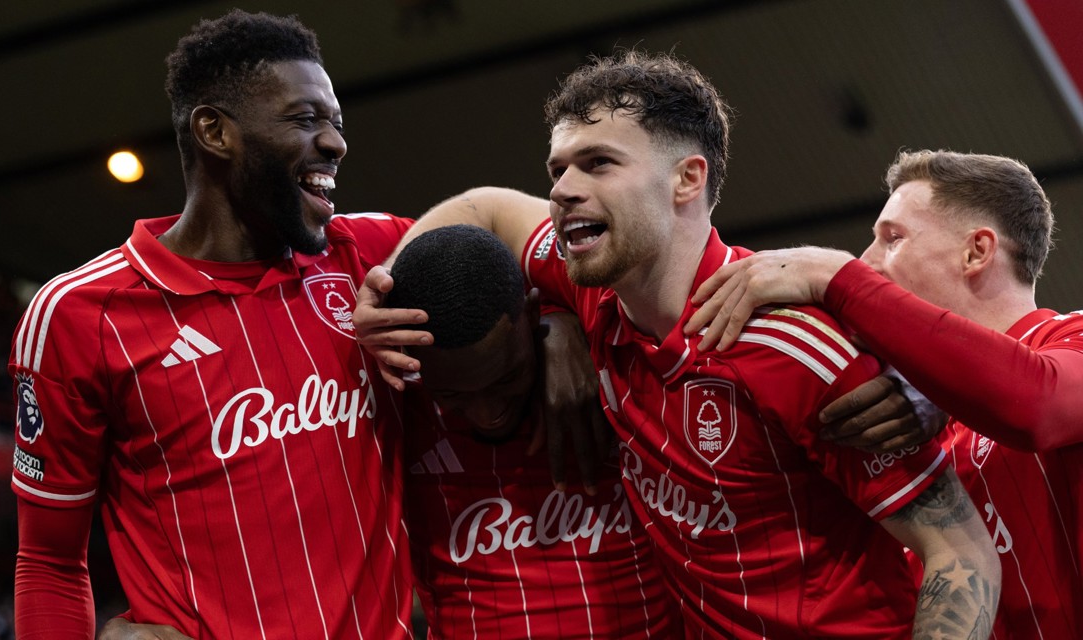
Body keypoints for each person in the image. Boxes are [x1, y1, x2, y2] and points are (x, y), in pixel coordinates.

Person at [356, 51, 1001, 638]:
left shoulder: (794, 344)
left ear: (688, 179)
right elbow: (484, 206)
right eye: (558, 169)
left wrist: (927, 384)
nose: (561, 189)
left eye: (599, 163)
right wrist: (389, 291)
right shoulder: (595, 293)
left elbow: (963, 555)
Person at [9, 11, 417, 638]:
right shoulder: (77, 313)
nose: (336, 143)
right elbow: (50, 560)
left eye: (336, 123)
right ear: (215, 132)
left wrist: (559, 329)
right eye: (306, 119)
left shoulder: (367, 255)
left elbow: (521, 237)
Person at [685, 149, 1083, 639]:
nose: (867, 261)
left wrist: (835, 277)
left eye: (892, 239)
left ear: (977, 252)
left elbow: (1034, 405)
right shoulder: (898, 421)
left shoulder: (1071, 342)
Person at [386, 224, 680, 638]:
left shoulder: (612, 362)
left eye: (505, 379)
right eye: (451, 394)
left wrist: (566, 318)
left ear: (529, 314)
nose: (487, 413)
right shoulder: (391, 399)